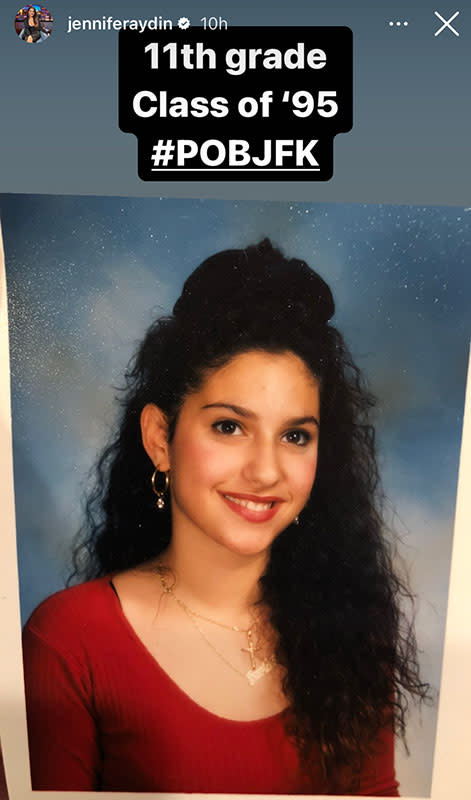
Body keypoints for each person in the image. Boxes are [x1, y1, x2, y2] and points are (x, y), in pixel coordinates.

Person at [22, 240, 429, 794]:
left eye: (294, 435)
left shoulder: (350, 639)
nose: (265, 471)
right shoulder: (69, 642)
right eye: (229, 426)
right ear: (160, 438)